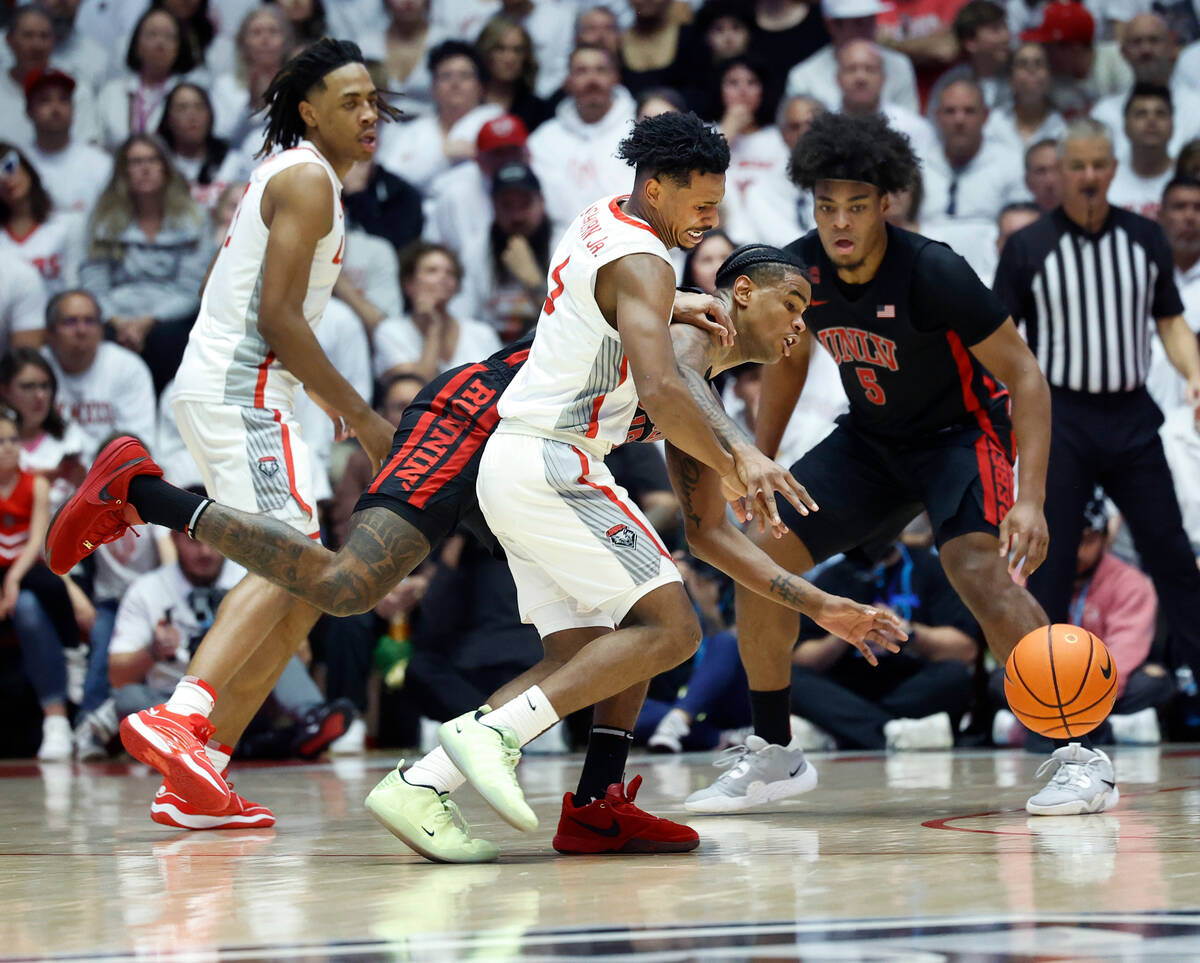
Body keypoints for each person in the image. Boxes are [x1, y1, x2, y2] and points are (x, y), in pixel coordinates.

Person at [49, 232, 899, 855]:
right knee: (349, 586)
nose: (802, 330)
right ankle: (144, 492)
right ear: (741, 293)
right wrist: (742, 446)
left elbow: (709, 530)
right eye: (795, 305)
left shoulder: (699, 391)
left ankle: (594, 797)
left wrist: (820, 601)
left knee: (613, 636)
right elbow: (667, 377)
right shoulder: (692, 338)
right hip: (473, 419)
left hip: (530, 456)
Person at [682, 111, 1064, 816]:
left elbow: (1027, 377)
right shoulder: (797, 269)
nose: (841, 223)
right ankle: (773, 753)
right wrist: (756, 457)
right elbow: (788, 356)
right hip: (871, 441)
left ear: (885, 203)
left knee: (975, 569)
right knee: (765, 559)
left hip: (959, 435)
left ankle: (1078, 751)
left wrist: (1031, 497)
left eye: (856, 207)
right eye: (828, 207)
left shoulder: (934, 269)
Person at [75, 39, 400, 828]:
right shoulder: (306, 178)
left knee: (306, 589)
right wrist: (360, 417)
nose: (368, 113)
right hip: (245, 387)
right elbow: (278, 320)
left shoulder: (307, 180)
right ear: (307, 112)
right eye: (349, 101)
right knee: (292, 555)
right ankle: (180, 715)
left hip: (250, 390)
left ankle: (200, 773)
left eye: (372, 99)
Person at [993, 117, 1200, 802]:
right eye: (1074, 165)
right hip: (1064, 419)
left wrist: (1194, 373)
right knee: (1047, 568)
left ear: (1114, 169)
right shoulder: (1028, 246)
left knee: (1171, 554)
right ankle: (1059, 733)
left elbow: (1169, 320)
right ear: (1058, 170)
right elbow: (1001, 334)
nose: (1086, 176)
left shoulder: (1145, 239)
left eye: (1097, 166)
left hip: (1132, 414)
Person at [991, 494, 1175, 748]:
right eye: (1069, 539)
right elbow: (1016, 647)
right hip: (1042, 682)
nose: (1077, 550)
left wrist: (1079, 697)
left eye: (1087, 539)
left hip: (1099, 686)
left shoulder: (1130, 583)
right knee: (1000, 679)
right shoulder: (1026, 576)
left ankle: (1025, 729)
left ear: (1104, 536)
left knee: (1155, 683)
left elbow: (1123, 654)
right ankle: (1115, 729)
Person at [78, 134, 214, 393]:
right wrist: (118, 322)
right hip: (115, 315)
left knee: (170, 339)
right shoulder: (102, 218)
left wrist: (146, 322)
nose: (145, 168)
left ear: (165, 167)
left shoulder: (193, 217)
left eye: (152, 160)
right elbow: (94, 281)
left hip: (171, 314)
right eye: (135, 162)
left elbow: (192, 286)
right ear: (123, 171)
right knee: (94, 334)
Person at [0, 408, 81, 761]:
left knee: (34, 601)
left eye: (13, 440)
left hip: (26, 569)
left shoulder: (38, 482)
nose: (7, 448)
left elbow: (37, 542)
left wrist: (12, 582)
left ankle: (57, 717)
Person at [527, 44, 636, 243]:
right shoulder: (542, 141)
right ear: (567, 81)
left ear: (615, 77)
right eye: (581, 71)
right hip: (565, 249)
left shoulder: (639, 129)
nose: (592, 80)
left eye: (600, 70)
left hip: (629, 242)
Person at [40, 289, 157, 457]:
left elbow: (137, 444)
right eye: (70, 322)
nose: (81, 330)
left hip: (113, 473)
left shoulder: (127, 367)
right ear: (50, 332)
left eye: (89, 321)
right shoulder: (35, 370)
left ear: (101, 330)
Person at [373, 242, 501, 382]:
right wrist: (433, 329)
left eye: (450, 273)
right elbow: (416, 391)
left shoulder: (482, 333)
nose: (443, 277)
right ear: (409, 284)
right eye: (432, 271)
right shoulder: (391, 332)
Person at [784, 0, 918, 115]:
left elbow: (909, 125)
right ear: (832, 26)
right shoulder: (803, 76)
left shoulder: (900, 65)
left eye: (871, 20)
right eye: (858, 22)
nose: (867, 29)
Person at [96, 6, 197, 150]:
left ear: (179, 48)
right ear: (137, 45)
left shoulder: (188, 95)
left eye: (169, 36)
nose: (160, 43)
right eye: (152, 34)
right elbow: (98, 144)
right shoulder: (112, 92)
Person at [926, 77, 1026, 222]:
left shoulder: (1011, 164)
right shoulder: (920, 165)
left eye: (969, 111)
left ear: (985, 116)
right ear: (938, 117)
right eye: (950, 111)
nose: (959, 120)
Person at [22, 67, 113, 217]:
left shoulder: (102, 164)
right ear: (29, 111)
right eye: (45, 100)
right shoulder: (16, 165)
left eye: (63, 99)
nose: (56, 108)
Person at [0, 142, 85, 297]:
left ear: (27, 169)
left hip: (58, 317)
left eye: (9, 167)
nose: (6, 179)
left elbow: (74, 287)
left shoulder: (67, 224)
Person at [156, 82, 231, 211]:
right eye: (182, 108)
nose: (192, 115)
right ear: (168, 118)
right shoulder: (157, 162)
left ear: (210, 114)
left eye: (199, 107)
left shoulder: (232, 161)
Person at [1108, 84, 1175, 220]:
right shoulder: (1107, 179)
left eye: (1160, 114)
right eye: (1141, 114)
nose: (1152, 121)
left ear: (1172, 125)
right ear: (1125, 127)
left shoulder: (1188, 176)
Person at [983, 43, 1067, 151]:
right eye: (1022, 64)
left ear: (1049, 76)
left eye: (1039, 64)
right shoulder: (993, 124)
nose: (1031, 69)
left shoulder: (1063, 126)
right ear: (1010, 78)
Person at [477, 14, 553, 133]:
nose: (510, 59)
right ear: (486, 52)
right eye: (500, 49)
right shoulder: (468, 103)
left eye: (517, 50)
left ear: (526, 56)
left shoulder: (539, 110)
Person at [1025, 137, 1063, 211]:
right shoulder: (1019, 221)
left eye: (1058, 169)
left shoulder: (1089, 219)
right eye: (1040, 171)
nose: (1050, 180)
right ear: (1027, 181)